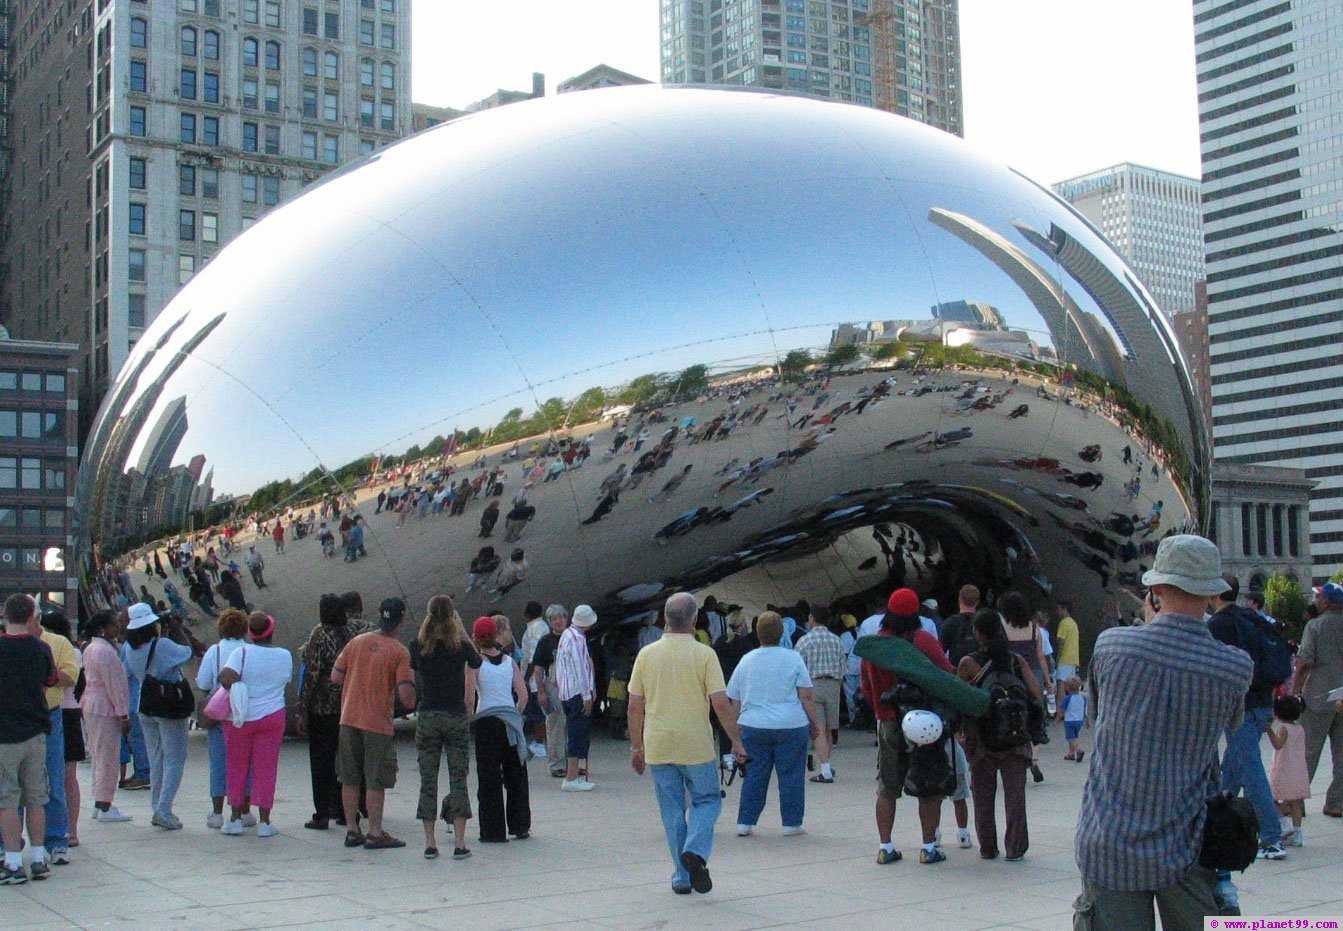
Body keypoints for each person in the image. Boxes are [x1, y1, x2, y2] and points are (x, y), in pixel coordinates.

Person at [1073, 535, 1252, 926]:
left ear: (1154, 590)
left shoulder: (1112, 646)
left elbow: (1097, 715)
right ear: (1211, 594)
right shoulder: (1234, 666)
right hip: (1186, 842)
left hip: (1110, 840)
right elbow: (1234, 722)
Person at [628, 591, 745, 895]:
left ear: (664, 619)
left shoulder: (646, 655)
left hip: (658, 743)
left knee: (671, 809)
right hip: (695, 744)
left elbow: (634, 706)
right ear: (695, 620)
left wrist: (636, 747)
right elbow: (720, 703)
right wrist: (736, 740)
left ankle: (681, 876)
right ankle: (694, 850)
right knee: (707, 800)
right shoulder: (705, 654)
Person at [860, 588, 957, 865]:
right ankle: (928, 848)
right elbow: (946, 676)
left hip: (889, 722)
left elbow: (867, 689)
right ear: (916, 614)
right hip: (924, 723)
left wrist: (882, 709)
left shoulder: (874, 646)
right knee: (929, 784)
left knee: (887, 787)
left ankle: (885, 847)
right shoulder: (924, 640)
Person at [1207, 574, 1285, 859]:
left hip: (1240, 705)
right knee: (1235, 763)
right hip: (1263, 699)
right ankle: (1213, 817)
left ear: (1214, 594)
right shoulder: (1250, 617)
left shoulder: (1217, 625)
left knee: (1251, 769)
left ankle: (1272, 836)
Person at [726, 612, 821, 836]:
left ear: (757, 633)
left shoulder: (746, 660)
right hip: (791, 724)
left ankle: (745, 822)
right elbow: (806, 695)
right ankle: (791, 823)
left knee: (755, 775)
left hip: (753, 725)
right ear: (782, 633)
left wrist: (734, 737)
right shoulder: (793, 658)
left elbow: (734, 700)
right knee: (791, 776)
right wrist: (815, 723)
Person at [332, 597, 416, 850]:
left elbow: (336, 677)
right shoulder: (399, 652)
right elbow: (407, 699)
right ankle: (375, 833)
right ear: (402, 619)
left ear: (380, 615)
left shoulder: (357, 642)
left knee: (349, 777)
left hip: (348, 718)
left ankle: (352, 830)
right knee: (375, 780)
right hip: (377, 722)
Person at [411, 596, 481, 860]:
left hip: (428, 714)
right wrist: (461, 630)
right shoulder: (461, 646)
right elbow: (477, 663)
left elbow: (416, 667)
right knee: (458, 778)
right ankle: (460, 842)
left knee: (428, 779)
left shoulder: (418, 646)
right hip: (454, 714)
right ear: (453, 616)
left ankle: (430, 842)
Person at [216, 613, 292, 836]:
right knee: (266, 768)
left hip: (242, 718)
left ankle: (236, 818)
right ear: (271, 631)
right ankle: (265, 823)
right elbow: (285, 680)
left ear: (250, 633)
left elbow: (225, 678)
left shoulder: (242, 653)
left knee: (237, 766)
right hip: (273, 716)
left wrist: (240, 683)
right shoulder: (284, 655)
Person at [0, 593, 57, 884]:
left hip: (4, 736)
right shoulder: (42, 649)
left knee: (6, 800)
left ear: (5, 616)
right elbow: (49, 684)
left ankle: (12, 863)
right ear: (31, 617)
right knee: (36, 797)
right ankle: (38, 858)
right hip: (35, 732)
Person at [123, 603, 194, 831]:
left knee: (156, 757)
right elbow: (187, 651)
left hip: (146, 702)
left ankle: (157, 805)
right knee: (175, 758)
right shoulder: (162, 645)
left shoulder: (129, 648)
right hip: (169, 702)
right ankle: (164, 808)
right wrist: (176, 628)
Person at [298, 594, 365, 830]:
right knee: (345, 762)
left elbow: (312, 674)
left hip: (322, 708)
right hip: (346, 706)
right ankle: (345, 810)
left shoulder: (320, 634)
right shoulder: (349, 634)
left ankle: (322, 813)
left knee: (321, 763)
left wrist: (301, 708)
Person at [466, 616, 531, 843]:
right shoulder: (509, 661)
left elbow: (468, 700)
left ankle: (493, 831)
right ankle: (520, 824)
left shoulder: (474, 663)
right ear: (496, 636)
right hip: (509, 720)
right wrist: (515, 714)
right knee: (516, 775)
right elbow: (523, 695)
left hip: (487, 721)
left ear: (475, 638)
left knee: (489, 778)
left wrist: (468, 720)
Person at [23, 605, 78, 864]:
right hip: (16, 718)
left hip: (50, 714)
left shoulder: (57, 643)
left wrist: (44, 673)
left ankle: (56, 839)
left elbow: (71, 676)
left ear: (36, 619)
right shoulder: (9, 644)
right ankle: (10, 841)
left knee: (54, 778)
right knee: (13, 784)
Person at [195, 609, 253, 830]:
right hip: (242, 713)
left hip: (220, 714)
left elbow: (203, 683)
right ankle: (244, 811)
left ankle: (218, 812)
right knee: (245, 763)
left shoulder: (215, 651)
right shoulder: (249, 650)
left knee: (219, 763)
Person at [1295, 581, 1343, 818]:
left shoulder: (1315, 626)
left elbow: (1304, 662)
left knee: (1308, 753)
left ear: (1326, 602)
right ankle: (1336, 802)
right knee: (1342, 755)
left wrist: (1296, 691)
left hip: (1319, 696)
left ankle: (1297, 802)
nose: (1315, 600)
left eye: (1318, 597)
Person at [80, 611, 133, 825]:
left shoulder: (91, 648)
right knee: (108, 757)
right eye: (113, 624)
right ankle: (105, 804)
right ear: (103, 628)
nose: (117, 628)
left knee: (98, 754)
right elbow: (115, 686)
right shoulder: (105, 652)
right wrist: (123, 714)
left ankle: (99, 802)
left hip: (92, 705)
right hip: (105, 707)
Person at [998, 591, 1051, 783]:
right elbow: (1040, 656)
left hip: (1011, 675)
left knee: (1012, 715)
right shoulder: (1034, 628)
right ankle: (1034, 757)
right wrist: (1047, 681)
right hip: (1033, 674)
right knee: (1036, 716)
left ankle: (1015, 756)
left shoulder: (1002, 627)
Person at [795, 605, 845, 783]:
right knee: (830, 729)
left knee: (818, 729)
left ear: (812, 618)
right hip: (833, 685)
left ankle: (825, 770)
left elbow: (797, 667)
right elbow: (842, 666)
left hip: (812, 685)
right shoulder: (836, 640)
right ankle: (826, 764)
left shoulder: (804, 641)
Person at [557, 604, 598, 791]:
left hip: (567, 692)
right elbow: (580, 668)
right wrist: (587, 694)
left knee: (575, 732)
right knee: (577, 734)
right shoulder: (578, 640)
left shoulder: (566, 635)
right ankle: (571, 777)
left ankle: (573, 775)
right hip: (577, 693)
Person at [530, 605, 568, 778]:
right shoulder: (545, 641)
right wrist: (541, 692)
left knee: (572, 724)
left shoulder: (574, 637)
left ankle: (572, 762)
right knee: (556, 724)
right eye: (554, 619)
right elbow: (538, 669)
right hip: (553, 685)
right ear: (550, 622)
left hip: (573, 685)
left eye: (561, 617)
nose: (558, 621)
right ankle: (557, 764)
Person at [1267, 695, 1309, 847]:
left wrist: (1269, 730)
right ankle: (1297, 833)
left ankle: (1284, 825)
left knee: (1273, 798)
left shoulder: (1284, 729)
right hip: (1298, 771)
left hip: (1284, 770)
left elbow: (1278, 745)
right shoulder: (1299, 728)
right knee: (1296, 803)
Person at [518, 602, 551, 760]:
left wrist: (525, 678)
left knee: (538, 713)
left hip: (534, 679)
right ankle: (539, 742)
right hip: (534, 677)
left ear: (525, 613)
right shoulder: (539, 626)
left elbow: (533, 656)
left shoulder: (535, 629)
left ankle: (539, 743)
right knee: (536, 712)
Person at [938, 584, 981, 667]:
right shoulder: (983, 622)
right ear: (977, 602)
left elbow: (939, 653)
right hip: (979, 674)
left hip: (955, 674)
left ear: (959, 600)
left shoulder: (950, 623)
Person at [1052, 601, 1080, 721]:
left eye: (1058, 609)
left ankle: (1059, 713)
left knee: (1061, 688)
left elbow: (1061, 642)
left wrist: (1057, 658)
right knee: (1071, 688)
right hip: (1073, 659)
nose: (1057, 612)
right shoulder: (1073, 623)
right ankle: (1071, 712)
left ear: (1064, 609)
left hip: (1064, 659)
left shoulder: (1063, 623)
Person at [1061, 676, 1089, 763]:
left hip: (1069, 721)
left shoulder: (1067, 698)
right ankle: (1071, 753)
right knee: (1075, 737)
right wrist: (1087, 720)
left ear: (1067, 688)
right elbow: (1085, 710)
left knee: (1070, 738)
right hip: (1079, 720)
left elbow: (1062, 709)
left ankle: (1078, 750)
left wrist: (1057, 718)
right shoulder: (1083, 698)